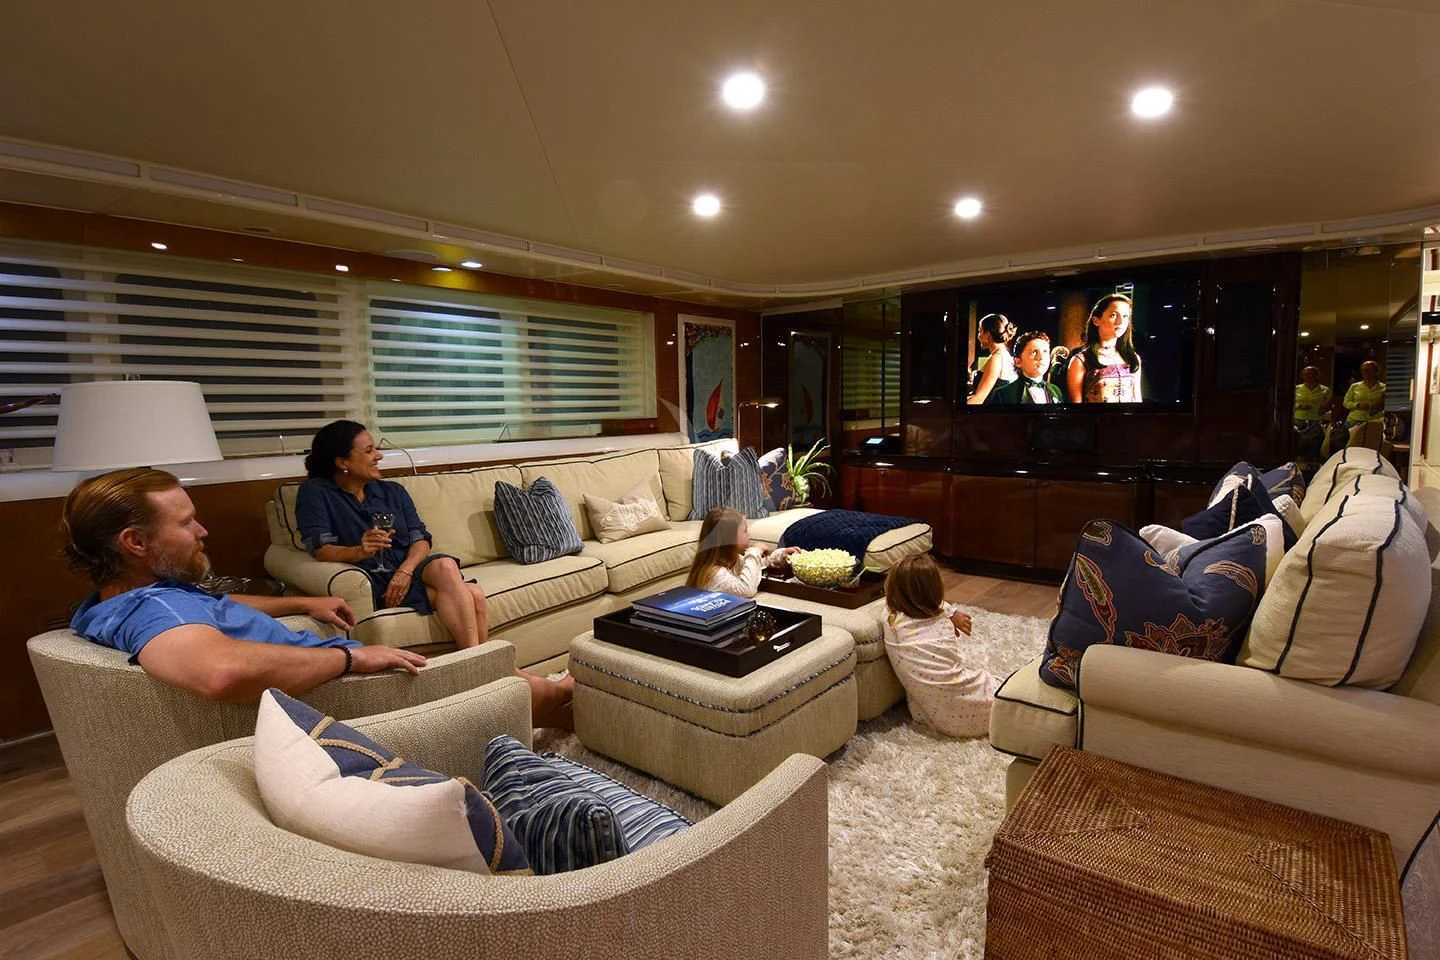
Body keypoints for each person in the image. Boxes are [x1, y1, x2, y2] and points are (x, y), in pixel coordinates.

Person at [63, 467, 424, 704]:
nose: (201, 531)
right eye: (186, 522)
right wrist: (351, 657)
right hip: (351, 695)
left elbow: (214, 606)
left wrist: (302, 603)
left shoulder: (119, 600)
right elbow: (223, 672)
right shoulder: (156, 609)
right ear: (136, 543)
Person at [296, 420, 573, 728]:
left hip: (410, 567)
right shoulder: (316, 493)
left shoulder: (392, 491)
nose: (380, 456)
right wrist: (358, 552)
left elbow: (420, 539)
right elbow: (320, 549)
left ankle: (476, 670)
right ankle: (504, 680)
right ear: (342, 462)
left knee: (444, 566)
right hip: (371, 578)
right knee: (473, 594)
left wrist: (405, 569)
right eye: (370, 450)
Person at [881, 554, 1000, 738]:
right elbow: (938, 607)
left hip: (936, 718)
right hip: (974, 708)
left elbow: (930, 605)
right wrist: (951, 614)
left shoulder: (891, 620)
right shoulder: (942, 624)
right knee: (1001, 689)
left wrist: (950, 613)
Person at [685, 506, 799, 597]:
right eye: (745, 531)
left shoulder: (731, 559)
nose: (749, 536)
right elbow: (746, 590)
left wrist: (780, 556)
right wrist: (754, 551)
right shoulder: (715, 573)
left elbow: (753, 567)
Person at [1066, 293, 1142, 403]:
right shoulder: (1080, 361)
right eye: (1113, 315)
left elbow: (1137, 400)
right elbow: (1076, 409)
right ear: (1096, 321)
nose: (1120, 322)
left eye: (1125, 316)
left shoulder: (1133, 358)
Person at [987, 331, 1063, 405]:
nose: (1041, 357)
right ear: (1018, 362)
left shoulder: (1056, 391)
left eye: (1045, 351)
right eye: (1034, 352)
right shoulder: (1003, 394)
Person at [967, 313, 1018, 405]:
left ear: (987, 334)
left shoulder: (997, 359)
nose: (978, 336)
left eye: (980, 332)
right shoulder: (1003, 354)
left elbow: (979, 399)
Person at [1293, 365, 1333, 464]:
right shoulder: (1296, 388)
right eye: (1306, 374)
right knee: (1298, 444)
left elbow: (1330, 405)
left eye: (1312, 374)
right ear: (1302, 376)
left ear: (1317, 375)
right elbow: (1289, 402)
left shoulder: (1325, 390)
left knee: (1314, 444)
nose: (1309, 376)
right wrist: (1299, 405)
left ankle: (1312, 464)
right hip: (1299, 420)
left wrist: (1325, 407)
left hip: (1316, 420)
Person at [1343, 361, 1386, 426]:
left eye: (1369, 369)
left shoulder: (1384, 387)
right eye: (1363, 370)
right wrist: (1357, 405)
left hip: (1375, 420)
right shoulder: (1354, 386)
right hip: (1354, 420)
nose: (1365, 372)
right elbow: (1345, 402)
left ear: (1376, 371)